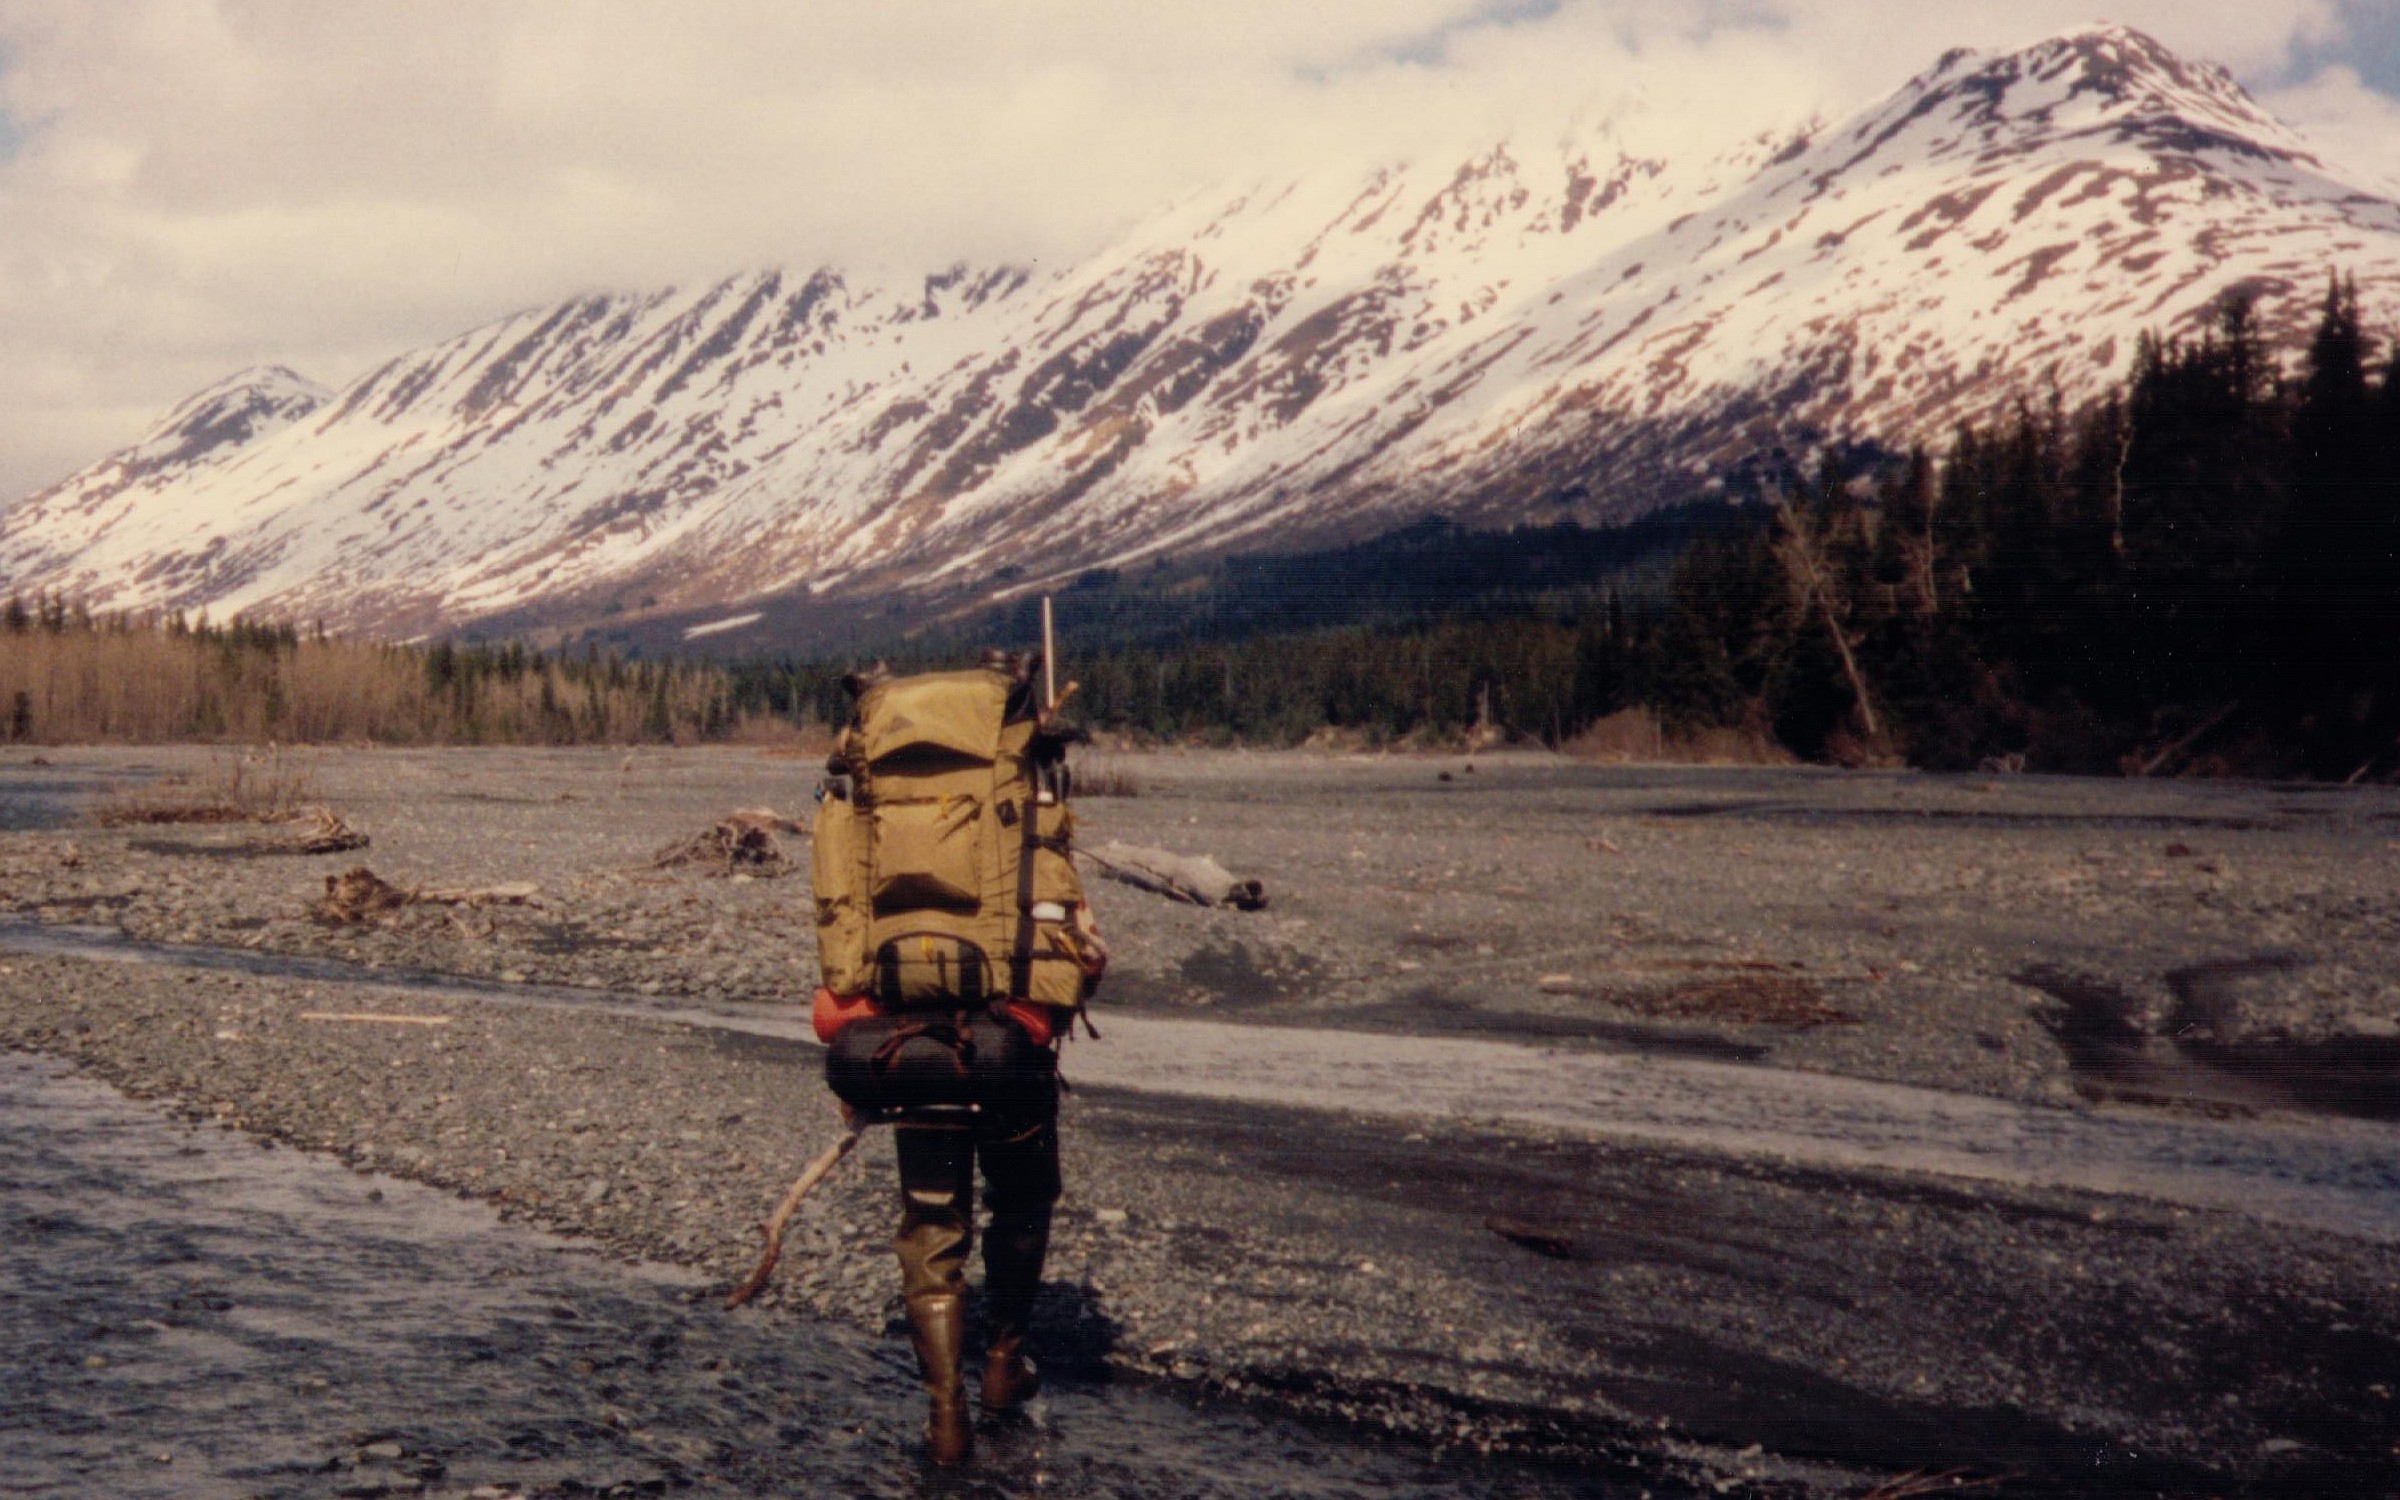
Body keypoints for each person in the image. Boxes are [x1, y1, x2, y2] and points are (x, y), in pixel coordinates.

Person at [809, 654, 1106, 1465]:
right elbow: (1070, 931)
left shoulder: (870, 785)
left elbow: (842, 916)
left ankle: (945, 1418)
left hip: (906, 1030)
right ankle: (1004, 1365)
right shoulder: (1022, 781)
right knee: (1023, 1196)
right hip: (1010, 1037)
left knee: (931, 1219)